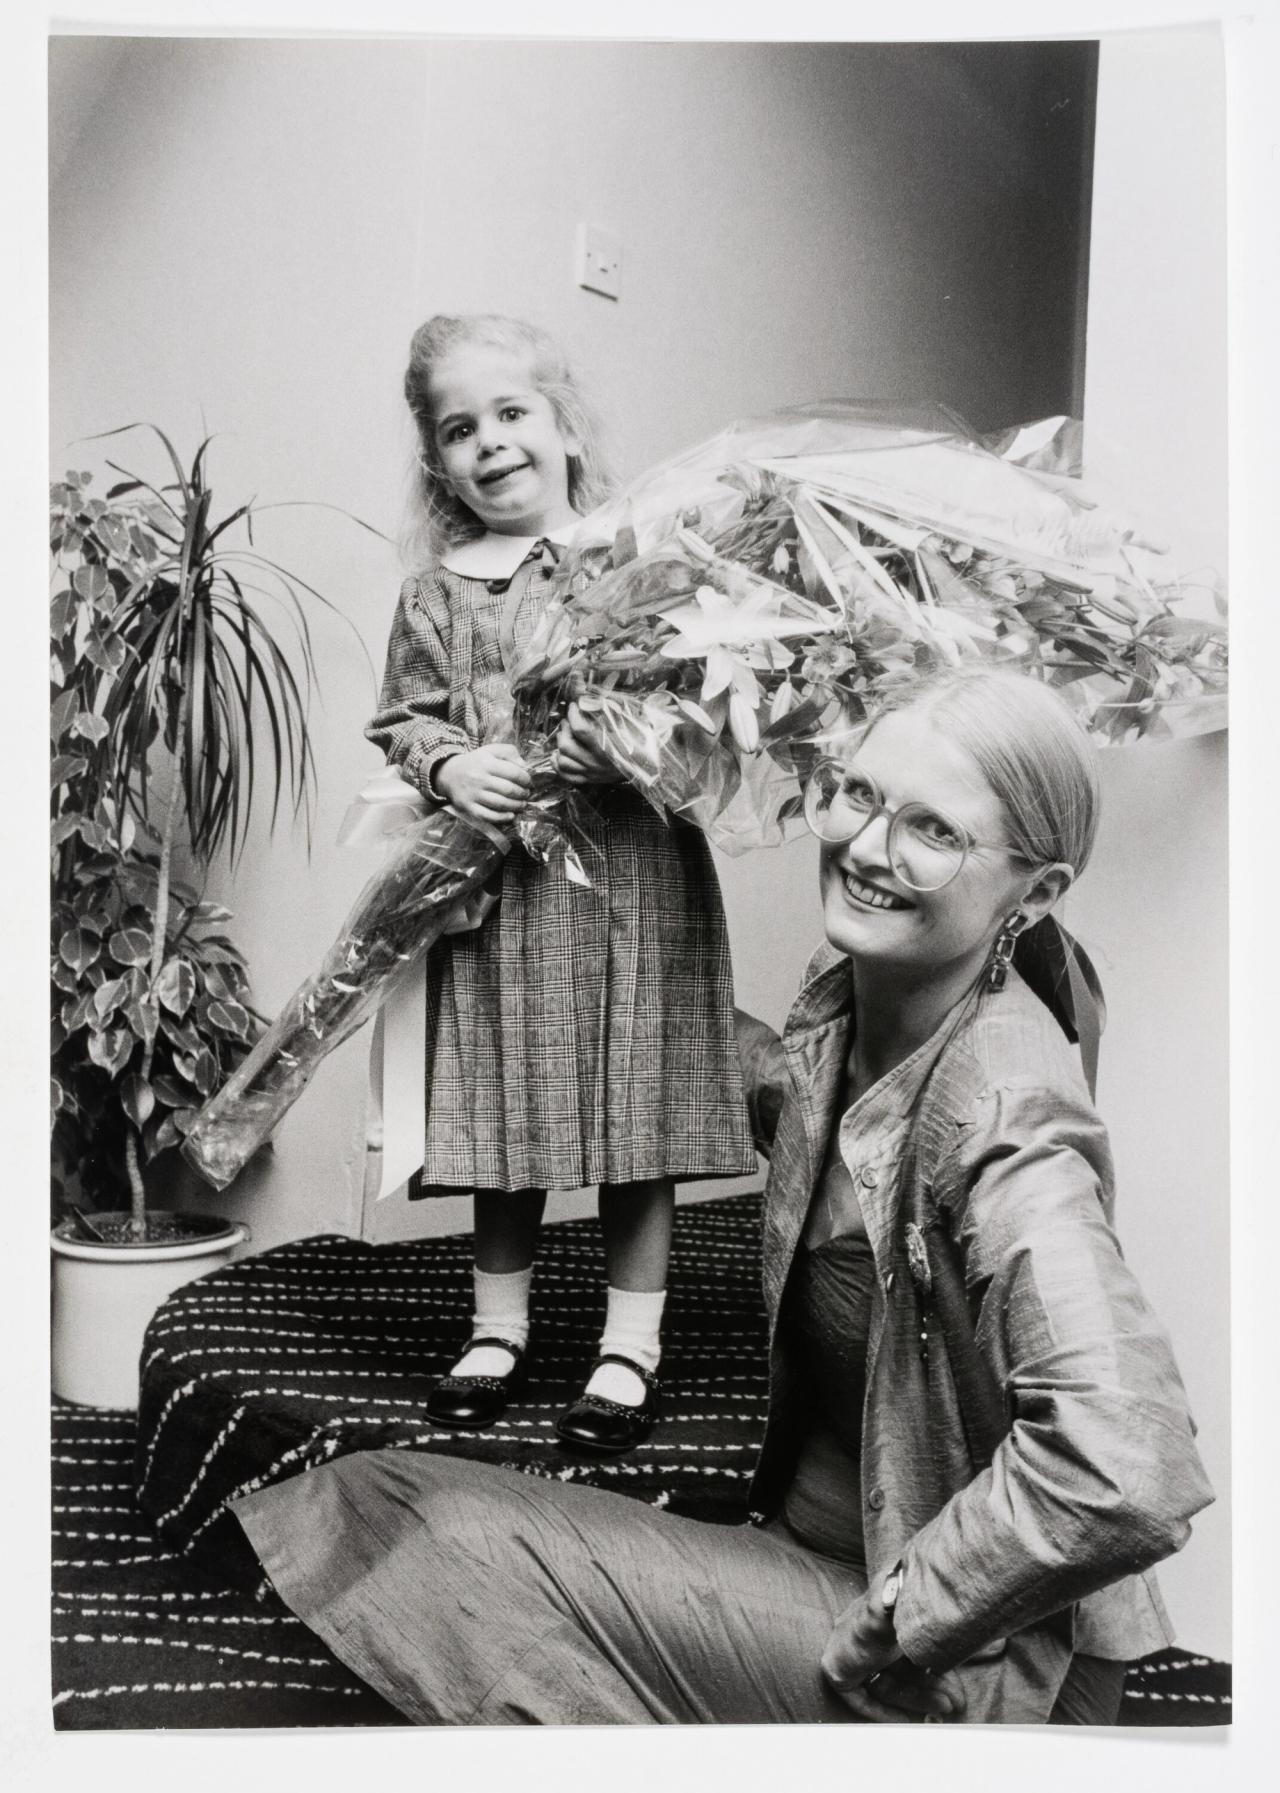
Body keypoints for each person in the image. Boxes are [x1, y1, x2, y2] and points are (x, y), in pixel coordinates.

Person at [234, 664, 1212, 1725]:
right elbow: (780, 1097)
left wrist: (904, 1612)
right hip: (809, 1542)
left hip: (951, 1663)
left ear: (1036, 888)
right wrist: (564, 997)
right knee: (395, 1510)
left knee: (415, 1515)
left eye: (932, 830)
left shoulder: (1005, 1111)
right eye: (856, 794)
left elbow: (1128, 1460)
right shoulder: (853, 1004)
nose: (867, 847)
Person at [365, 314, 756, 1453]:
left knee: (634, 1103)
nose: (489, 444)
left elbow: (698, 711)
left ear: (565, 424)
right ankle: (498, 1328)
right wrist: (450, 760)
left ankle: (628, 1342)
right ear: (436, 462)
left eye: (511, 413)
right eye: (458, 429)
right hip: (509, 884)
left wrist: (626, 739)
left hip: (631, 870)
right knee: (507, 1097)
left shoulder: (638, 562)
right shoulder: (436, 593)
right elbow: (404, 716)